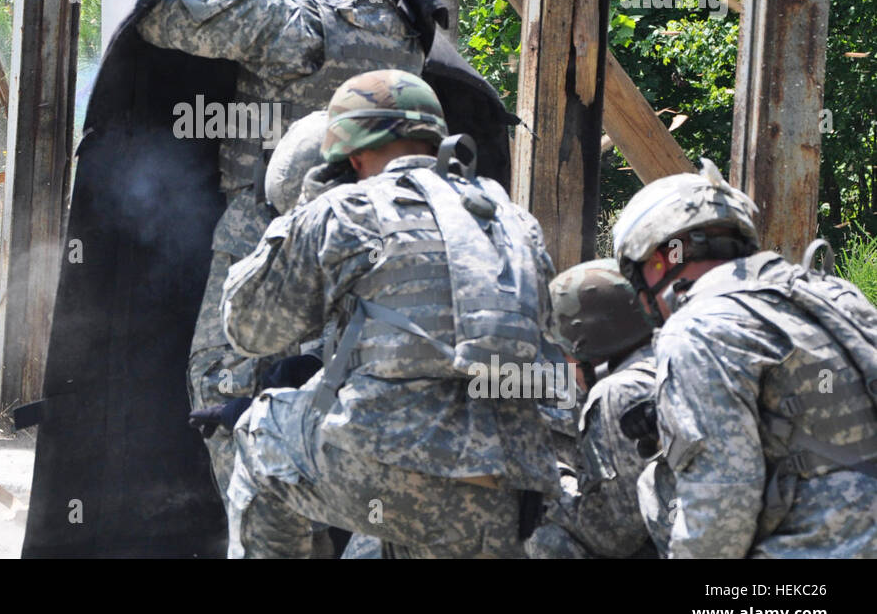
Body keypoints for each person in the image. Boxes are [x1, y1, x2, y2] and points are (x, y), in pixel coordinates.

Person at [140, 0, 426, 498]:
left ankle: (256, 529)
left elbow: (164, 13)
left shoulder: (283, 12)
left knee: (228, 389)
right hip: (384, 235)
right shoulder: (398, 15)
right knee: (338, 390)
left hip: (273, 229)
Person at [219, 70, 560, 558]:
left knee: (260, 432)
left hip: (394, 474)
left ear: (352, 156)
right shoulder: (513, 220)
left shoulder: (348, 208)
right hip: (509, 493)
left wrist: (305, 211)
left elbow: (247, 327)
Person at [615, 159, 877, 558]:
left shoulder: (697, 328)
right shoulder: (835, 296)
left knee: (654, 486)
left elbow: (720, 512)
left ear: (661, 260)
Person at [525, 259, 657, 559]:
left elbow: (611, 535)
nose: (566, 366)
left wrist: (550, 476)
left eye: (566, 354)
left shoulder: (620, 392)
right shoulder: (667, 358)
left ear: (588, 347)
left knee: (544, 538)